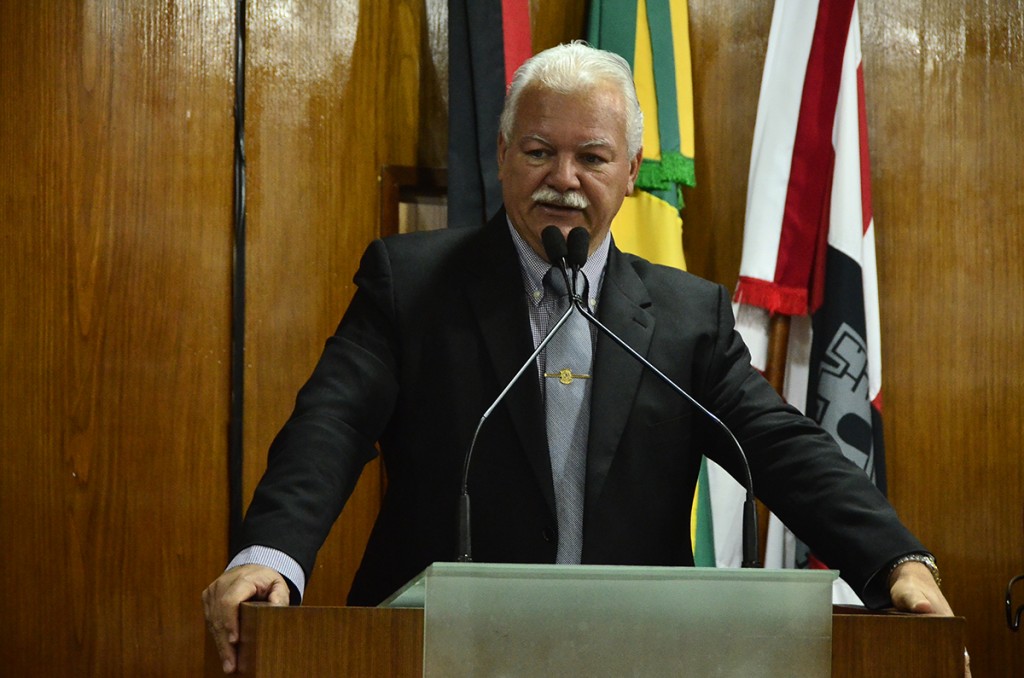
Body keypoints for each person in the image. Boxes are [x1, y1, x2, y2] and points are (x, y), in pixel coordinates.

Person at [203, 41, 956, 674]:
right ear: (502, 157)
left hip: (638, 655)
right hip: (436, 653)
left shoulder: (688, 316)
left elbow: (781, 446)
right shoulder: (413, 284)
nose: (563, 180)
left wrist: (896, 563)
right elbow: (328, 427)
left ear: (630, 172)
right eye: (539, 152)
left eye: (591, 157)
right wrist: (269, 556)